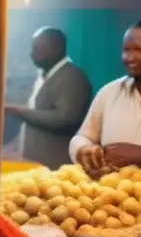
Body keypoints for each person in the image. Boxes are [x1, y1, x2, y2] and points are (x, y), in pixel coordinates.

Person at [71, 18, 141, 176]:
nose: (129, 58)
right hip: (110, 196)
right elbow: (83, 136)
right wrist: (85, 148)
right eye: (126, 50)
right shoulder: (109, 92)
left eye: (139, 50)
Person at [5, 28, 91, 169]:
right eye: (33, 48)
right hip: (36, 164)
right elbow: (37, 115)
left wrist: (18, 111)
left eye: (40, 47)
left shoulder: (72, 77)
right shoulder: (45, 75)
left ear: (57, 47)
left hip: (56, 166)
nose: (33, 53)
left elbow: (66, 119)